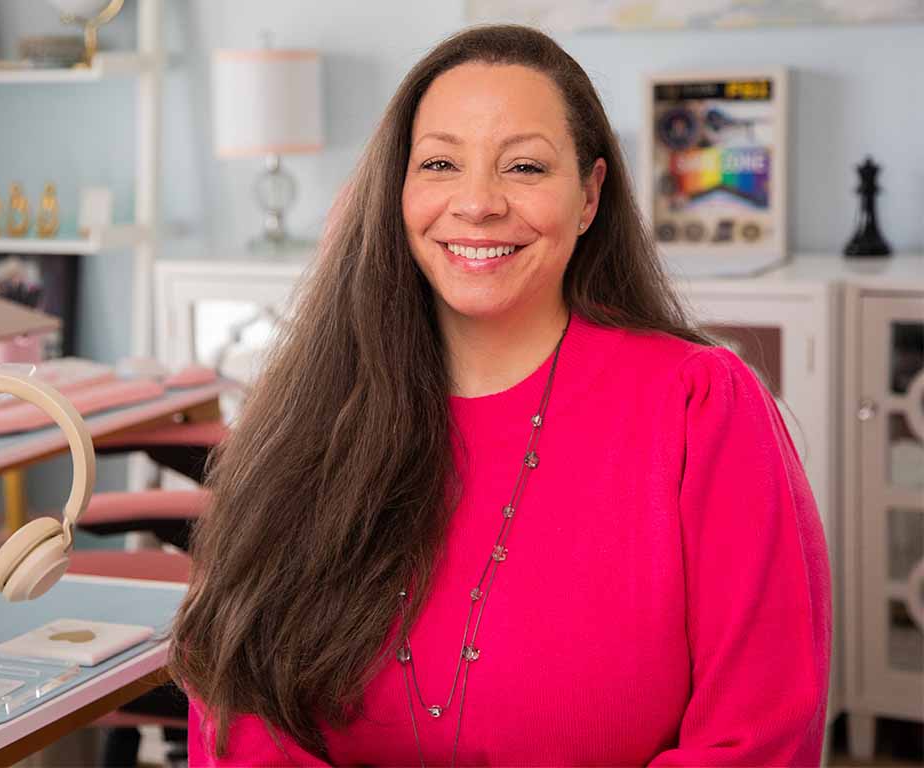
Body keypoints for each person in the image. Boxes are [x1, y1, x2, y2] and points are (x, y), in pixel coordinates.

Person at [168, 24, 830, 767]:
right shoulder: (316, 413)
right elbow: (240, 697)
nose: (477, 204)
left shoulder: (701, 406)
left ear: (589, 197)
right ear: (398, 191)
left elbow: (757, 735)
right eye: (441, 162)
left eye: (523, 167)